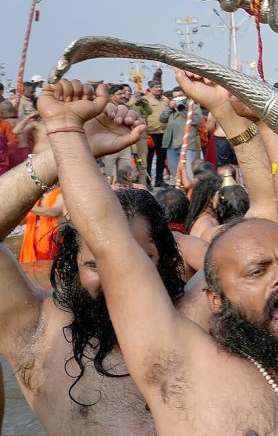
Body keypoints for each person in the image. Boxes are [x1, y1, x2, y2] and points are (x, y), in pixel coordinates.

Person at [41, 79, 278, 436]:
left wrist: (265, 119)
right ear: (215, 299)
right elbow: (109, 241)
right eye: (256, 271)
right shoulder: (181, 365)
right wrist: (64, 128)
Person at [0, 99, 186, 435]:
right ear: (72, 265)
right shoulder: (38, 332)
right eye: (96, 262)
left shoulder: (202, 316)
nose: (120, 276)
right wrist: (68, 147)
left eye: (142, 258)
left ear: (168, 260)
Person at [160, 88, 202, 184]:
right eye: (174, 97)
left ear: (185, 96)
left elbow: (196, 120)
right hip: (171, 144)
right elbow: (162, 119)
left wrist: (180, 109)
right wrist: (170, 108)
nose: (177, 98)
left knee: (189, 173)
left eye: (179, 96)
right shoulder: (171, 107)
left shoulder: (192, 106)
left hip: (187, 145)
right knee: (175, 171)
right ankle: (180, 192)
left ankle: (191, 194)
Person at [136, 79, 168, 186]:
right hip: (150, 133)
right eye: (156, 87)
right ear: (150, 89)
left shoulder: (165, 100)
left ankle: (159, 180)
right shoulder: (145, 100)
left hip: (163, 133)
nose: (159, 89)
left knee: (161, 158)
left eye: (160, 86)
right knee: (148, 158)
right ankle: (148, 181)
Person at [101, 83, 136, 182]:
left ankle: (126, 194)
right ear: (112, 95)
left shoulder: (127, 108)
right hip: (109, 146)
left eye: (124, 93)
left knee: (126, 173)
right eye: (120, 94)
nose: (123, 96)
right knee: (109, 174)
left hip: (124, 145)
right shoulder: (105, 107)